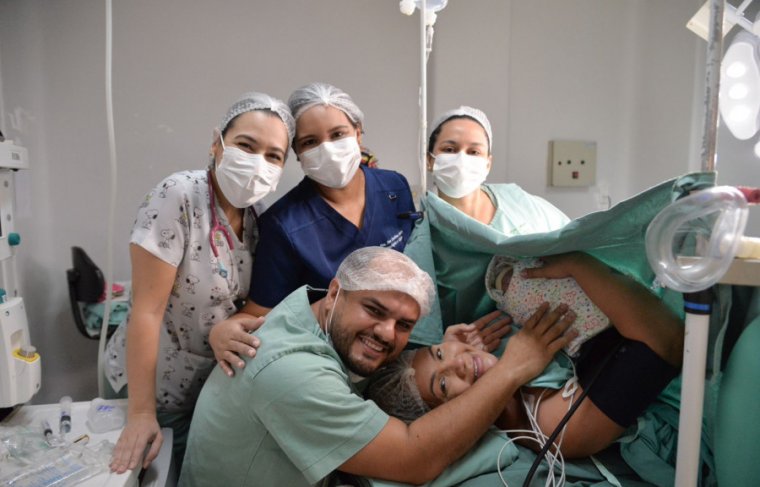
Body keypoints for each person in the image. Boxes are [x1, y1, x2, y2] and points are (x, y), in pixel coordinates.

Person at [179, 247, 577, 486]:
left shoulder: (308, 315)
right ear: (336, 291)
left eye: (405, 325)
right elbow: (413, 458)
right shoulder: (292, 372)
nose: (387, 334)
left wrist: (444, 353)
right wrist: (511, 370)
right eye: (374, 309)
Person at [105, 91, 295, 474]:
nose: (258, 162)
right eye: (246, 145)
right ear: (216, 143)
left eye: (273, 155)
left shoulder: (260, 219)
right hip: (153, 386)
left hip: (209, 390)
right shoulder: (178, 196)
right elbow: (146, 310)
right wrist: (142, 413)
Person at [365, 252, 684, 459]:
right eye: (443, 386)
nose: (456, 364)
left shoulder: (495, 348)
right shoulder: (555, 427)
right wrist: (580, 265)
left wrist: (452, 349)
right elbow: (668, 341)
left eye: (438, 354)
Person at [209, 82, 417, 375]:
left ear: (358, 132)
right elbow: (261, 311)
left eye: (338, 134)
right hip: (326, 362)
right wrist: (226, 330)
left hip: (398, 345)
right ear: (296, 153)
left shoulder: (394, 187)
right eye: (310, 142)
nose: (328, 150)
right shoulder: (285, 223)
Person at [426, 105, 571, 326]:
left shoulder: (518, 202)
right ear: (430, 160)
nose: (462, 159)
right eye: (450, 149)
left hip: (548, 325)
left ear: (488, 163)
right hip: (474, 344)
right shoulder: (424, 224)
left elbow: (572, 239)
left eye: (474, 152)